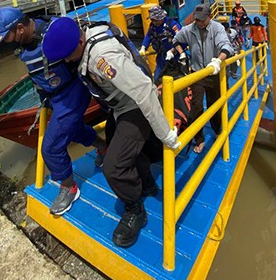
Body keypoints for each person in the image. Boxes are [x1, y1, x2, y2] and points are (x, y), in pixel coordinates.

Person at [41, 17, 182, 248]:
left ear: (79, 42)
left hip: (135, 107)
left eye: (67, 55)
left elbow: (144, 90)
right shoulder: (85, 37)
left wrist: (167, 135)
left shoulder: (102, 57)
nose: (66, 61)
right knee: (123, 147)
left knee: (113, 166)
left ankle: (135, 209)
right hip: (120, 106)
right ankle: (146, 183)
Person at [0, 7, 105, 216]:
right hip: (53, 96)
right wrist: (44, 98)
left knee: (50, 148)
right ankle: (105, 147)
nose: (6, 42)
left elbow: (81, 51)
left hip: (72, 93)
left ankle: (69, 187)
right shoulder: (27, 42)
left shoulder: (52, 32)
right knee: (74, 130)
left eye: (6, 37)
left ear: (20, 28)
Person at [171, 4, 232, 154]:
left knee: (215, 104)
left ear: (209, 17)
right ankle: (199, 139)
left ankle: (218, 131)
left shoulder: (217, 28)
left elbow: (226, 46)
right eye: (197, 20)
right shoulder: (190, 29)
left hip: (214, 72)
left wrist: (218, 61)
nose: (199, 23)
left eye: (202, 20)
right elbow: (176, 40)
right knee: (196, 106)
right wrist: (181, 53)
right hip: (197, 74)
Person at [139, 5, 182, 84]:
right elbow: (148, 36)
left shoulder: (172, 25)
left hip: (175, 59)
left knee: (176, 82)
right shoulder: (153, 26)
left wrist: (173, 51)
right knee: (156, 81)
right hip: (161, 58)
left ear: (160, 18)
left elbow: (182, 39)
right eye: (152, 19)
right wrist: (143, 47)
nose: (153, 22)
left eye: (154, 20)